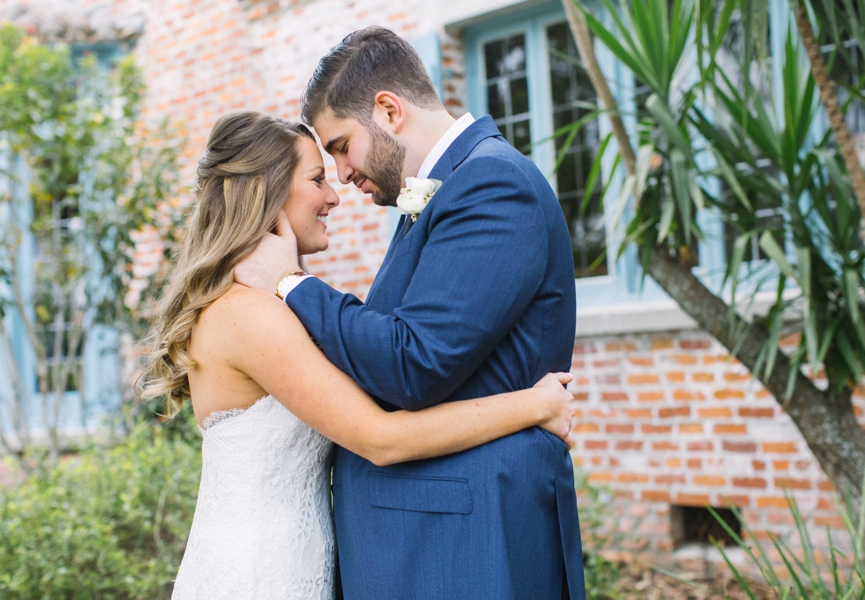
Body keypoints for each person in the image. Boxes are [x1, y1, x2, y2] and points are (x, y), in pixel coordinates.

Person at [138, 111, 576, 599]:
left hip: (292, 558)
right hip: (262, 571)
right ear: (267, 190)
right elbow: (381, 437)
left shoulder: (259, 307)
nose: (333, 193)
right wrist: (534, 405)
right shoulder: (250, 316)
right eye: (317, 178)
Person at [234, 27, 585, 599]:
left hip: (469, 544)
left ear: (389, 110)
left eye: (342, 147)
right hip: (428, 538)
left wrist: (293, 285)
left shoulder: (493, 184)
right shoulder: (445, 192)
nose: (343, 176)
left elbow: (413, 363)